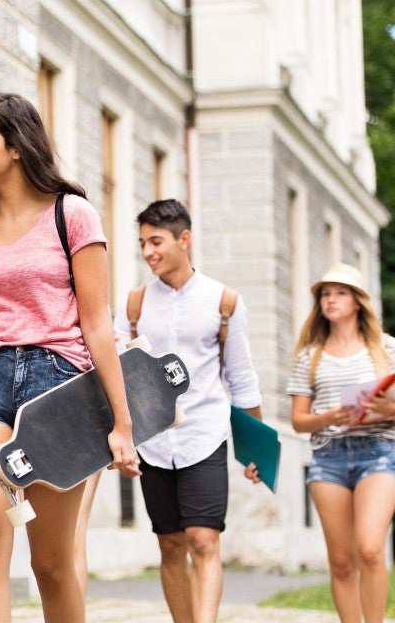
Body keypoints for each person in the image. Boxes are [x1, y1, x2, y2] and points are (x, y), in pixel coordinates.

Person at [0, 92, 139, 623]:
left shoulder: (73, 215)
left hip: (58, 392)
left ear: (17, 146)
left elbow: (97, 324)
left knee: (51, 562)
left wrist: (122, 421)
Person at [108, 199, 262, 623]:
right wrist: (121, 438)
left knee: (203, 541)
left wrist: (256, 449)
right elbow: (117, 375)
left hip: (205, 436)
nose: (147, 252)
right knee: (171, 545)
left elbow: (242, 378)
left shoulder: (224, 301)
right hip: (153, 442)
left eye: (156, 241)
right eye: (142, 243)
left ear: (184, 239)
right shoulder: (134, 304)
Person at [287, 263, 395, 623]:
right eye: (325, 294)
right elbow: (299, 420)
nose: (331, 300)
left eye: (340, 293)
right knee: (341, 560)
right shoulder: (309, 356)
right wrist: (328, 418)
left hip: (378, 453)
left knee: (369, 549)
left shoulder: (386, 349)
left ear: (358, 302)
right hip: (328, 458)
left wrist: (387, 407)